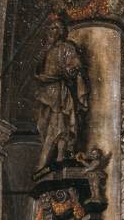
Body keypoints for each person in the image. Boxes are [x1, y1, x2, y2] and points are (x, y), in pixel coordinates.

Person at [33, 14, 88, 171]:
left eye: (56, 28)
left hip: (58, 90)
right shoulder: (47, 49)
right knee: (44, 124)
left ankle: (59, 156)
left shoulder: (67, 47)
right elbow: (37, 67)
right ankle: (49, 157)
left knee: (60, 124)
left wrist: (68, 70)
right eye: (51, 28)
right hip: (46, 92)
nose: (53, 31)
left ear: (63, 31)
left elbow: (75, 65)